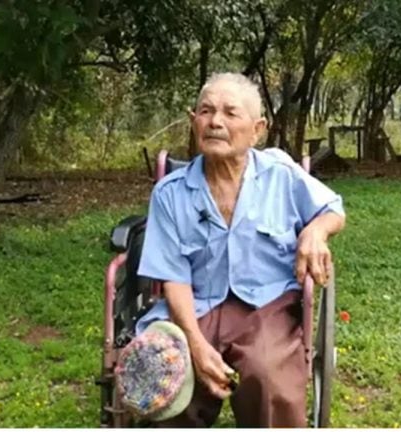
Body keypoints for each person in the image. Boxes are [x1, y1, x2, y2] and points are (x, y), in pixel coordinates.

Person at [135, 72, 346, 428]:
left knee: (267, 375)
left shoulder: (280, 174)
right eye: (206, 111)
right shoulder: (170, 194)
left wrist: (315, 231)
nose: (215, 121)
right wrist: (196, 345)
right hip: (196, 304)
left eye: (230, 113)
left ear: (257, 129)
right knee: (169, 375)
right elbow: (174, 278)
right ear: (193, 121)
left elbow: (333, 209)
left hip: (267, 306)